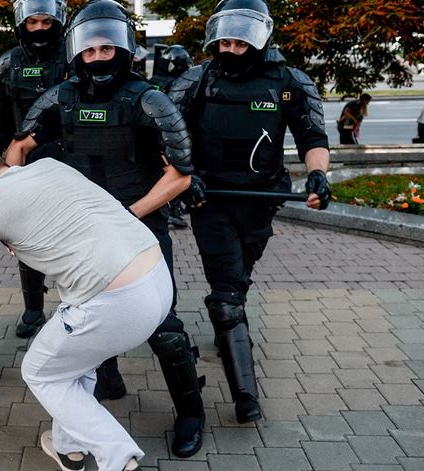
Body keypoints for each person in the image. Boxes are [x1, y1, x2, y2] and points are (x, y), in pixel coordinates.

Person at [4, 0, 207, 458]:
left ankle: (191, 412)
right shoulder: (59, 97)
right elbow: (16, 148)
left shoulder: (149, 100)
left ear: (125, 48)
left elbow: (181, 174)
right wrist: (20, 208)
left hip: (138, 226)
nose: (99, 57)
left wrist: (129, 213)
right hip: (79, 230)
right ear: (77, 52)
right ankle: (106, 382)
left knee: (163, 324)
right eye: (89, 50)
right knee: (85, 310)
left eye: (107, 47)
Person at [0, 148, 173, 471]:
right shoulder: (50, 166)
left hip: (114, 300)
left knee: (39, 372)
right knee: (71, 363)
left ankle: (119, 457)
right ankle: (69, 450)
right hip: (156, 276)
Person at [168, 0, 332, 424]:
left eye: (240, 42)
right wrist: (185, 176)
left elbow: (313, 135)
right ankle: (246, 397)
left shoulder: (289, 82)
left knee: (240, 276)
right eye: (224, 40)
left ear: (259, 40)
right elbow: (166, 134)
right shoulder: (197, 81)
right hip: (211, 199)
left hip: (262, 199)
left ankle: (231, 326)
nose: (230, 49)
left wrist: (317, 176)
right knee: (225, 292)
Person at [0, 0, 71, 339]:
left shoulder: (74, 56)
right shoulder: (8, 63)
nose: (39, 27)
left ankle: (76, 305)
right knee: (26, 238)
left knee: (72, 236)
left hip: (70, 161)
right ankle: (33, 309)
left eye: (46, 21)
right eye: (33, 21)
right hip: (23, 161)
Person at [148, 44, 193, 228]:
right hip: (168, 136)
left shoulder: (154, 81)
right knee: (177, 170)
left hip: (154, 136)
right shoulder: (173, 83)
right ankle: (172, 210)